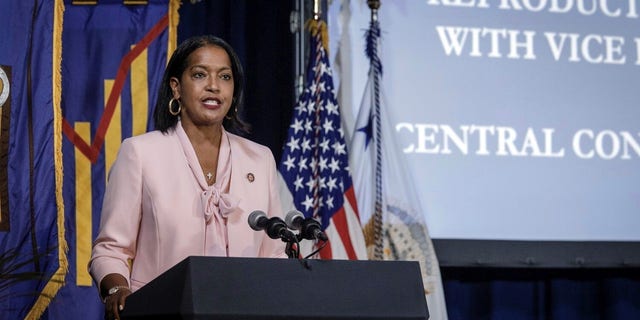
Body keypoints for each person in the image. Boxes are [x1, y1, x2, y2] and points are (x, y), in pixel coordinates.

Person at [88, 35, 287, 320]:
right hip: (160, 312)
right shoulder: (141, 153)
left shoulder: (260, 158)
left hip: (244, 311)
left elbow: (274, 255)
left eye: (225, 76)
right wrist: (117, 288)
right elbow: (110, 250)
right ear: (176, 88)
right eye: (199, 74)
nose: (214, 86)